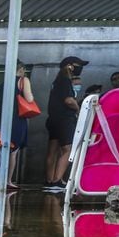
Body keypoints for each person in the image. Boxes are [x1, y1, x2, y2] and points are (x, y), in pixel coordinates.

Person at [45, 56, 88, 190]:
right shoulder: (65, 81)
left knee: (53, 150)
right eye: (78, 65)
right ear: (70, 66)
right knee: (67, 149)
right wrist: (78, 108)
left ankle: (49, 180)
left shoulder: (56, 81)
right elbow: (68, 100)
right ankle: (57, 181)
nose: (80, 68)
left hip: (53, 119)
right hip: (64, 119)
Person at [0, 61, 34, 190]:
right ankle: (8, 180)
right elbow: (29, 99)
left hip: (2, 121)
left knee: (2, 150)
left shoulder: (1, 85)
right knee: (13, 152)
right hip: (17, 120)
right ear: (21, 69)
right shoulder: (23, 80)